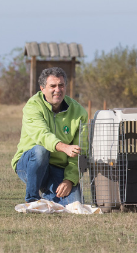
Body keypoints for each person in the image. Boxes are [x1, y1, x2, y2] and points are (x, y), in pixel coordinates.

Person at [12, 67, 88, 206]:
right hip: (29, 164)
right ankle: (32, 200)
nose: (57, 90)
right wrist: (64, 147)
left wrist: (69, 180)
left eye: (61, 85)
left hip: (58, 168)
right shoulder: (32, 106)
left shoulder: (79, 112)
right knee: (41, 150)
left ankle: (49, 196)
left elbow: (80, 150)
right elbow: (42, 135)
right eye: (52, 86)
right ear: (42, 88)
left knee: (75, 204)